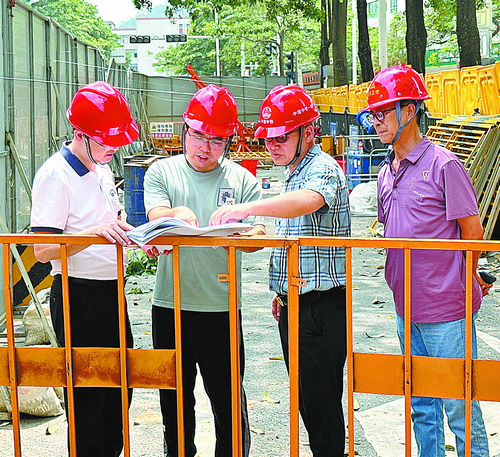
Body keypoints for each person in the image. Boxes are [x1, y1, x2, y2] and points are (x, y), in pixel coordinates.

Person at [210, 85, 351, 457]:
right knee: (309, 402)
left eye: (281, 137)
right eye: (268, 138)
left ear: (308, 132)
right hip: (296, 302)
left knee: (321, 405)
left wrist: (247, 208)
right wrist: (283, 290)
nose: (272, 145)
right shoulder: (294, 172)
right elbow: (297, 234)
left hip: (322, 306)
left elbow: (307, 203)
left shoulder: (322, 168)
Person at [368, 65, 491, 457]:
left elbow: (472, 231)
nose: (376, 121)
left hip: (446, 311)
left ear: (409, 111)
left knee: (459, 403)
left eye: (383, 112)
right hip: (405, 308)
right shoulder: (386, 172)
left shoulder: (443, 165)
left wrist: (464, 279)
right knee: (421, 403)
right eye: (372, 114)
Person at [143, 84, 266, 457]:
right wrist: (176, 214)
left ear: (228, 141)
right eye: (198, 136)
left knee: (228, 403)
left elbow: (259, 235)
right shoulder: (162, 172)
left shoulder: (242, 180)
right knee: (175, 402)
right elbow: (156, 216)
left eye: (216, 140)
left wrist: (238, 234)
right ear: (185, 130)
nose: (205, 147)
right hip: (171, 305)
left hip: (221, 307)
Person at [31, 81, 139, 456]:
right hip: (79, 294)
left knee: (120, 389)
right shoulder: (56, 175)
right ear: (80, 133)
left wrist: (134, 234)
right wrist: (93, 234)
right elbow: (43, 249)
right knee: (89, 397)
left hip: (110, 290)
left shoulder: (100, 166)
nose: (114, 147)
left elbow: (108, 221)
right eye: (107, 140)